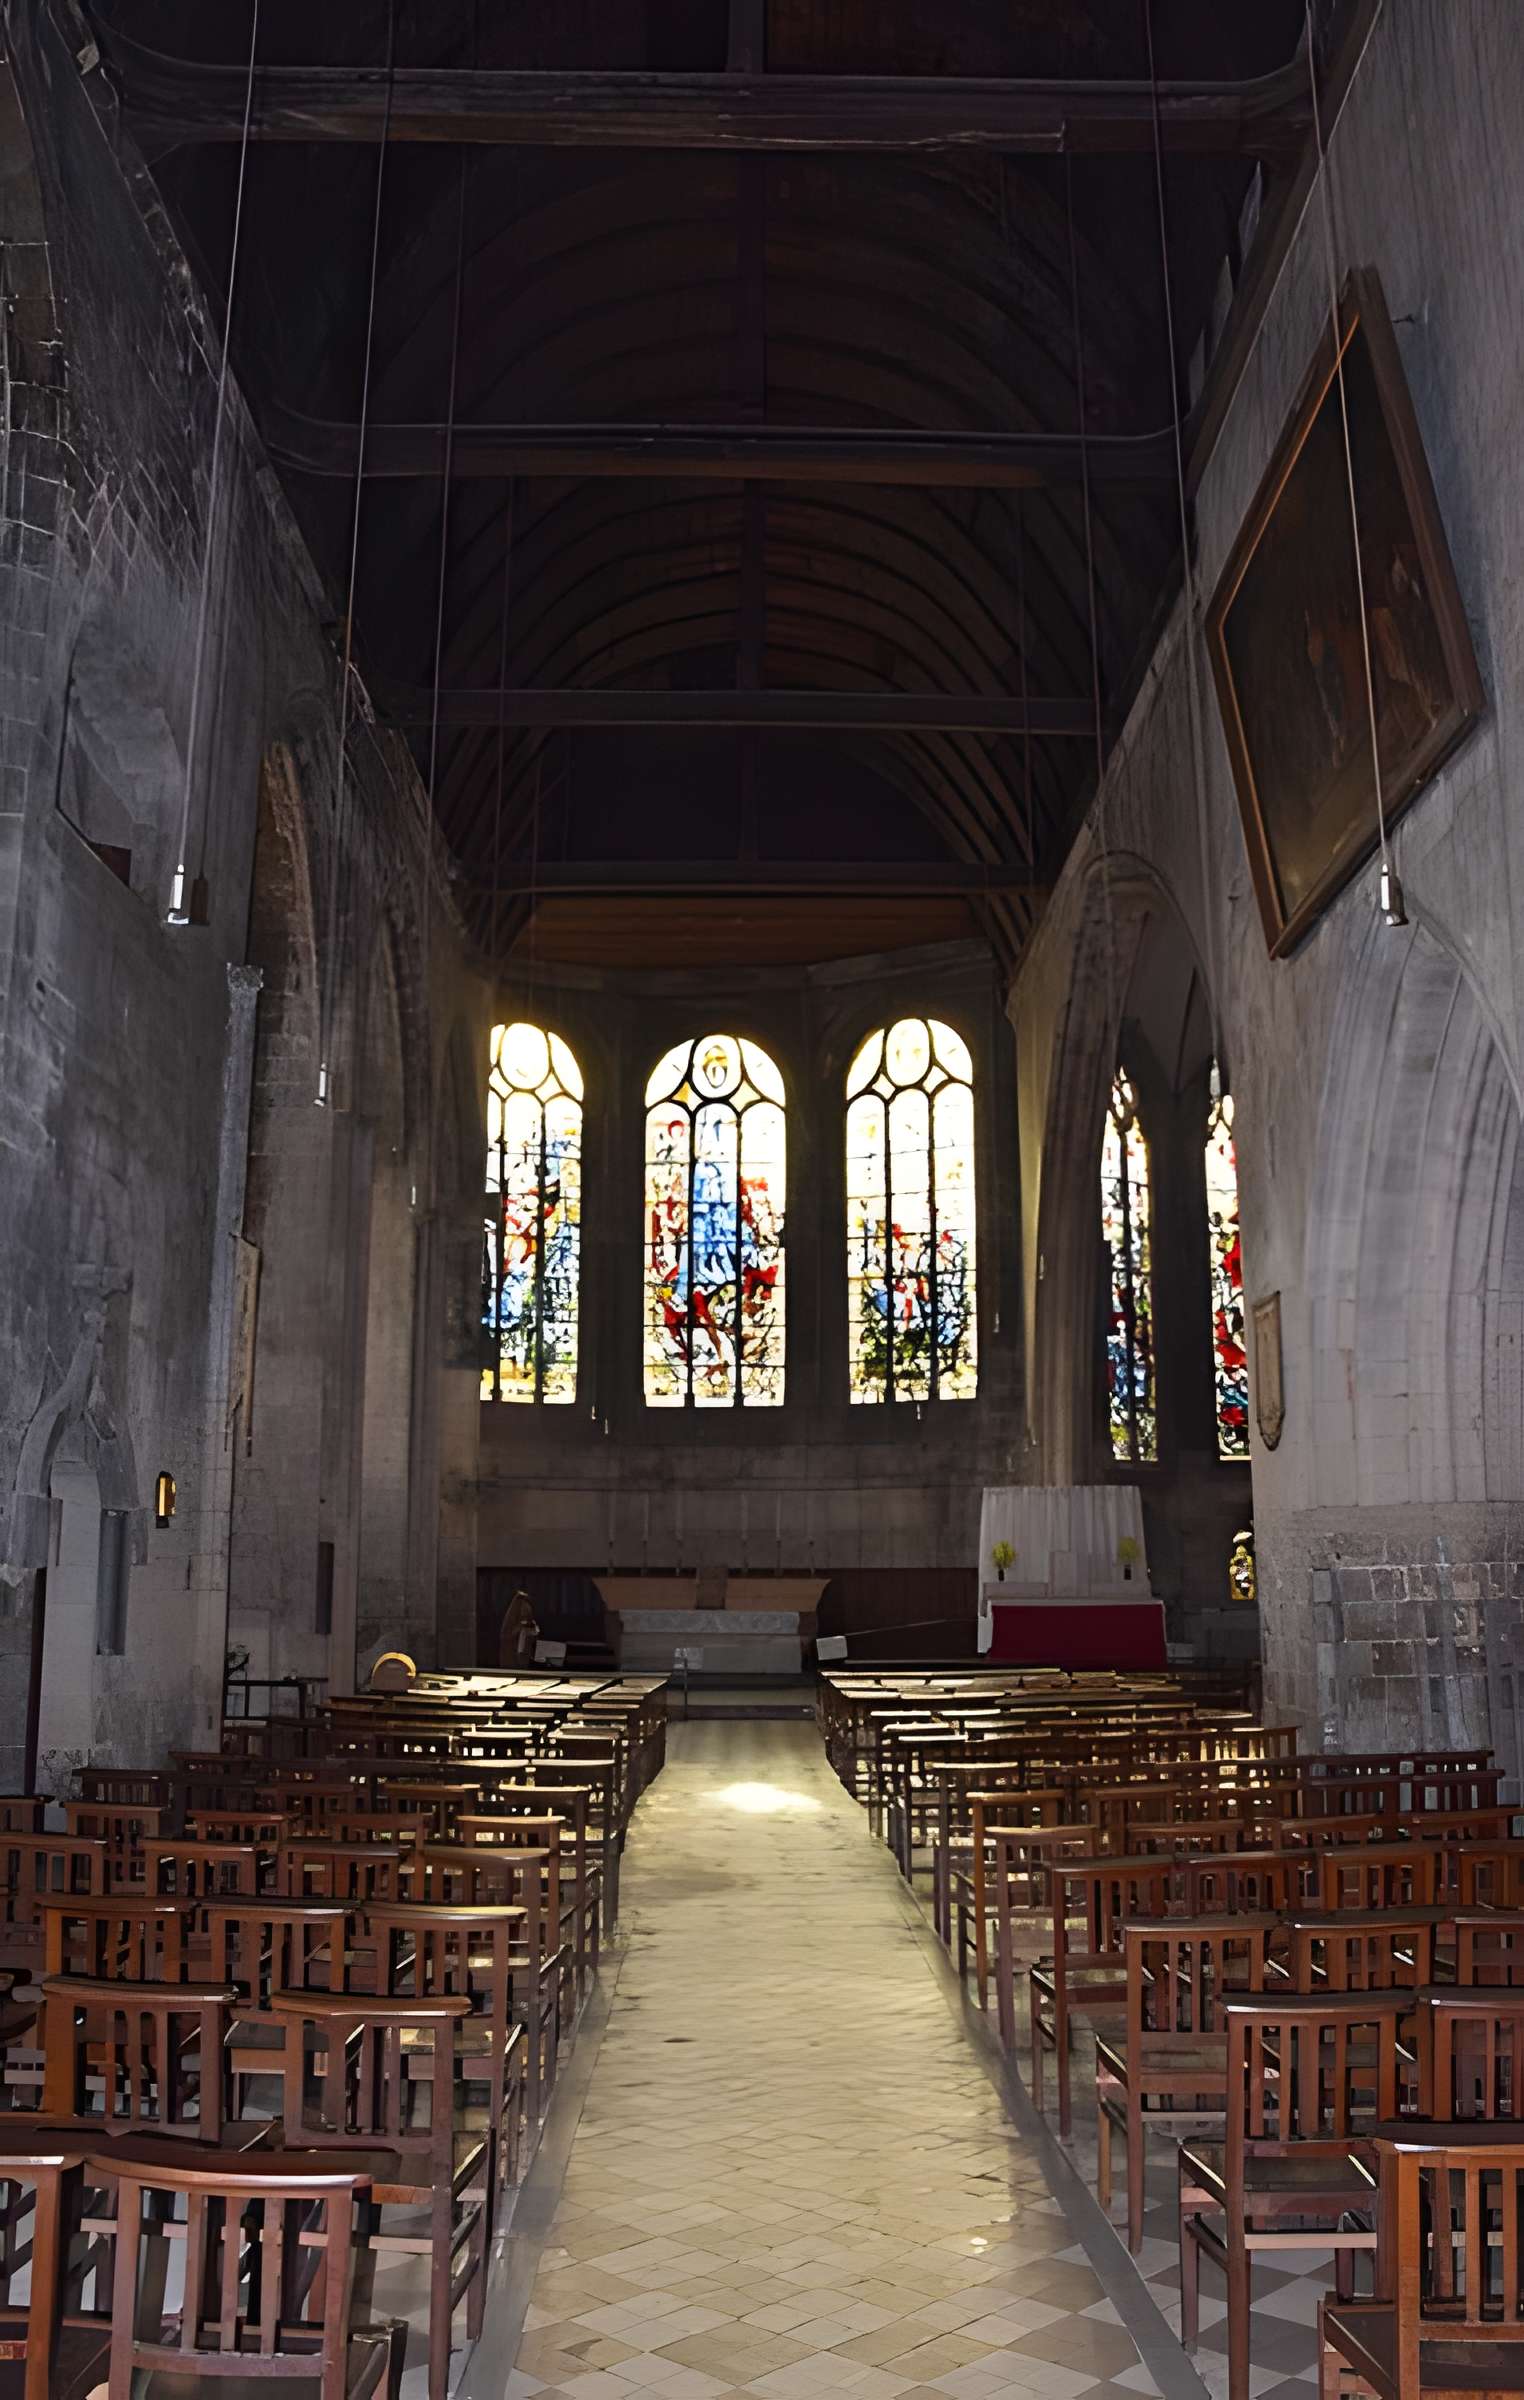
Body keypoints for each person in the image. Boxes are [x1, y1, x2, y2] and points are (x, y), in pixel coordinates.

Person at [500, 1587, 540, 1669]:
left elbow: (534, 1631)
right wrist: (520, 1626)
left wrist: (530, 1626)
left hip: (524, 1650)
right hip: (513, 1651)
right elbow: (508, 1635)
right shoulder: (512, 1617)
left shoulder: (527, 1606)